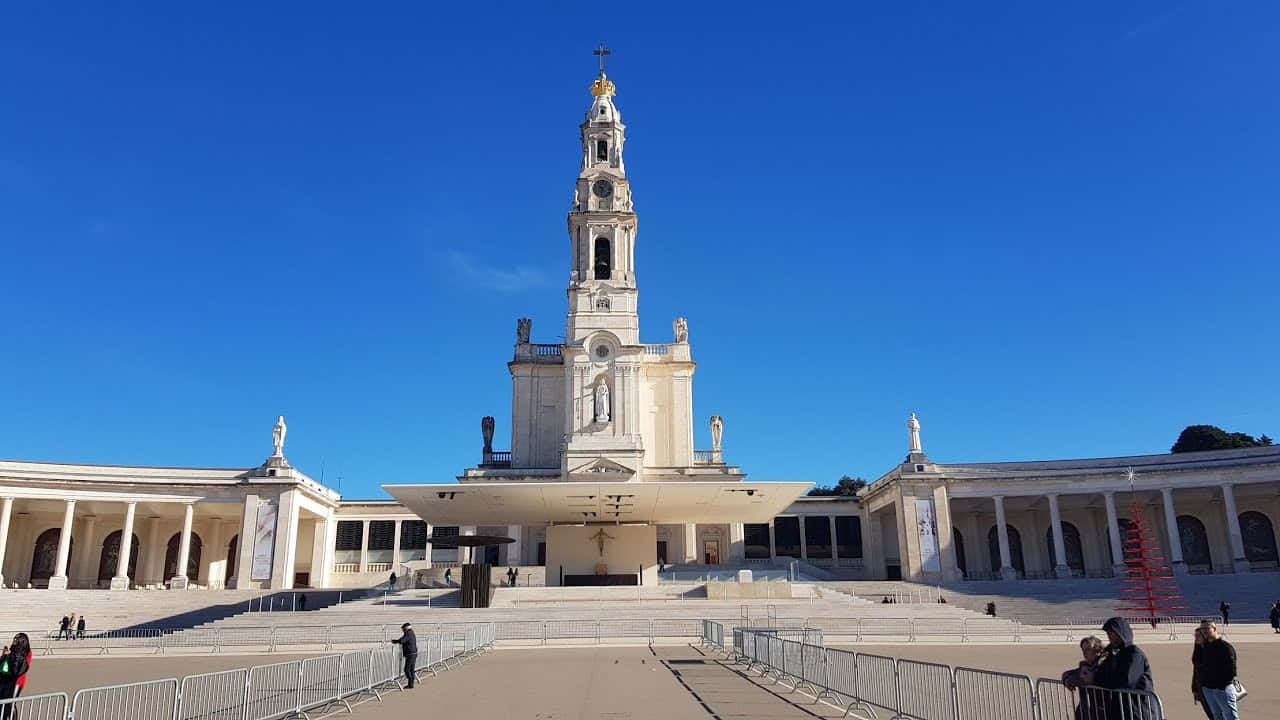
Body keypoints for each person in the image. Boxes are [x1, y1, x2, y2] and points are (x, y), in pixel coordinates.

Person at [1093, 617, 1155, 720]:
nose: (1109, 636)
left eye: (1111, 633)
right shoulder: (1112, 654)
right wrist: (1071, 675)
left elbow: (1126, 681)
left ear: (1120, 633)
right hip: (1120, 710)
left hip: (1137, 710)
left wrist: (1098, 681)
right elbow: (1097, 670)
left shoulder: (1134, 654)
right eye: (1108, 633)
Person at [1194, 621, 1239, 720]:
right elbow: (1197, 663)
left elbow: (1232, 671)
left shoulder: (1225, 647)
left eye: (1207, 628)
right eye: (1202, 629)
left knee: (1230, 716)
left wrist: (1221, 687)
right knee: (1216, 716)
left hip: (1222, 689)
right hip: (1208, 689)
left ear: (1214, 629)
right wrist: (1197, 645)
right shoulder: (1206, 647)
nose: (1204, 631)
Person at [1062, 636, 1104, 720]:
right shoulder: (1085, 665)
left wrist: (1071, 680)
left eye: (1088, 649)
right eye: (1083, 650)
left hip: (1101, 709)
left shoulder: (1104, 663)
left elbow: (1086, 679)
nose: (1084, 653)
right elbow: (1068, 673)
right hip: (1086, 710)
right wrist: (1066, 679)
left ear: (1097, 650)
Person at [0, 633, 32, 719]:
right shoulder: (12, 650)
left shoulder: (26, 652)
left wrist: (11, 655)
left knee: (11, 702)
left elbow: (20, 668)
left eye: (16, 639)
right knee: (3, 701)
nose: (14, 640)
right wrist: (4, 655)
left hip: (17, 682)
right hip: (6, 680)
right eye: (14, 639)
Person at [1191, 626, 1214, 720]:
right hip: (1201, 688)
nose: (1196, 638)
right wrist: (1194, 689)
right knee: (1211, 715)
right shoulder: (1198, 651)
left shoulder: (1211, 650)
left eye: (1198, 636)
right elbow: (1195, 672)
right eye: (1195, 636)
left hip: (1212, 689)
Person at [390, 622, 418, 689]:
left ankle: (411, 681)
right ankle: (411, 684)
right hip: (413, 653)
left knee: (406, 669)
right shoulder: (411, 632)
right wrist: (398, 640)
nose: (402, 630)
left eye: (403, 629)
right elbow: (403, 639)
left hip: (410, 653)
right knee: (411, 669)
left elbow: (402, 640)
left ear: (406, 628)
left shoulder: (408, 633)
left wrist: (396, 641)